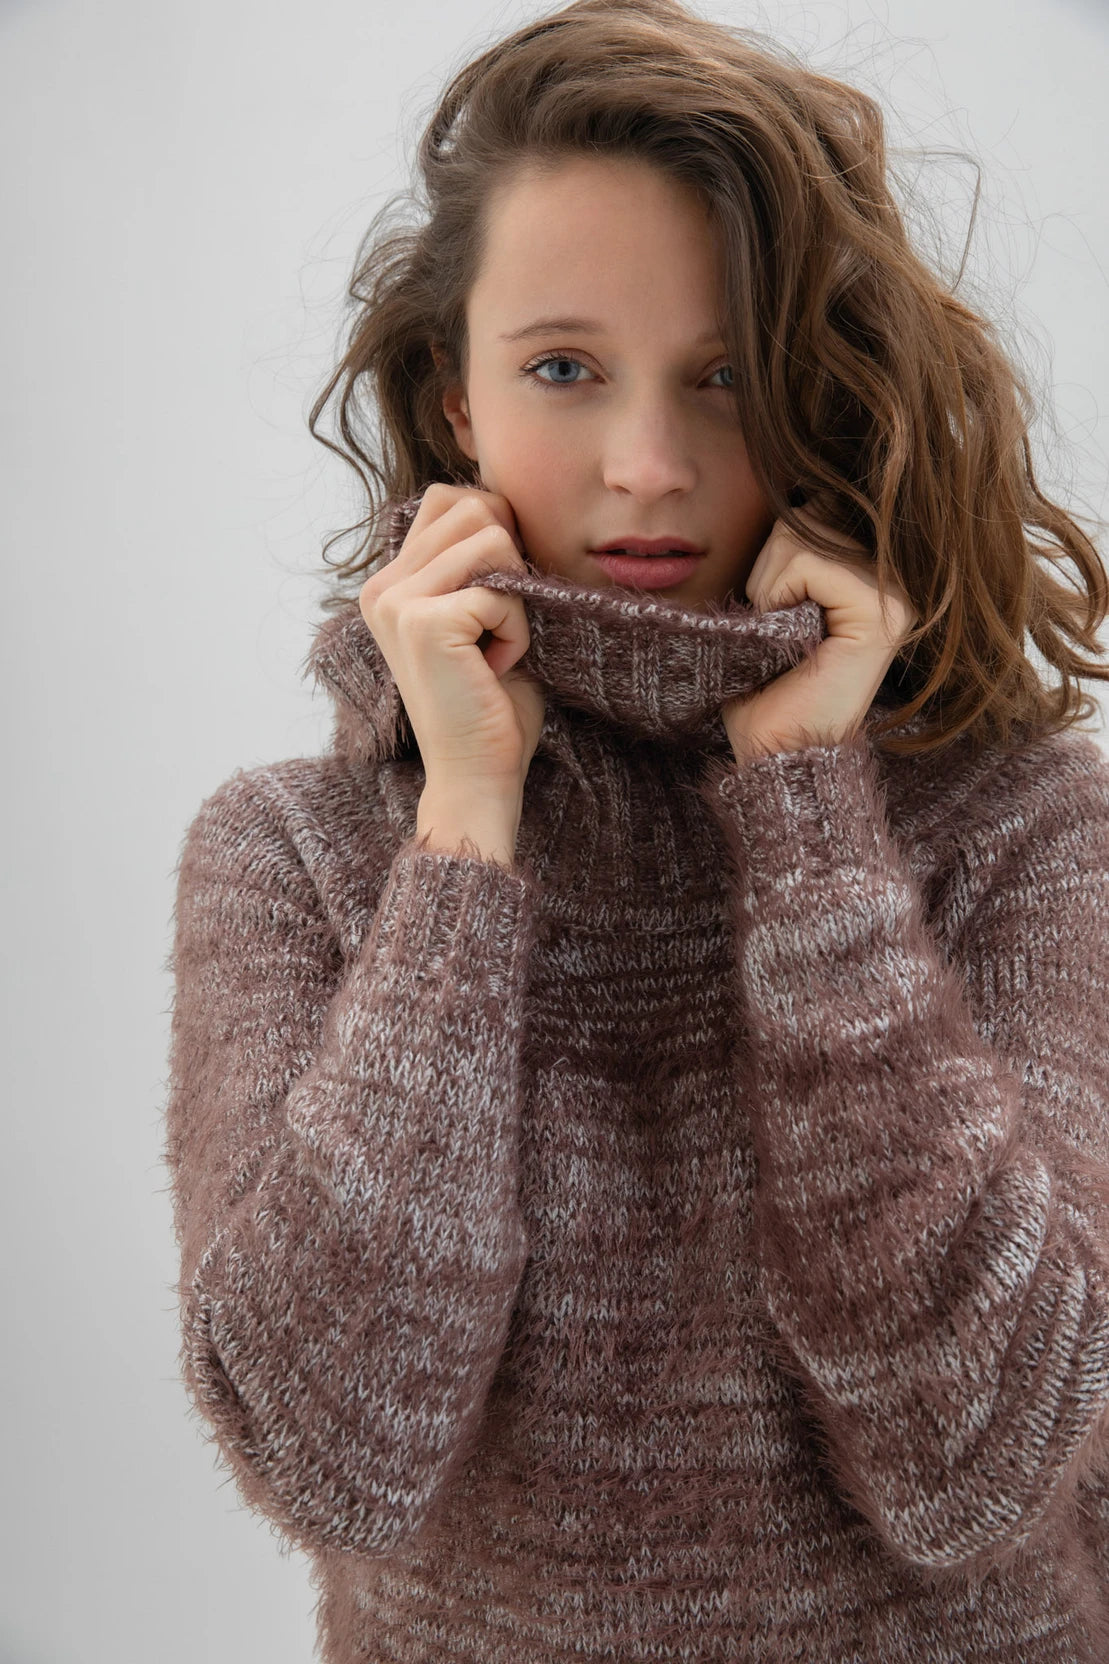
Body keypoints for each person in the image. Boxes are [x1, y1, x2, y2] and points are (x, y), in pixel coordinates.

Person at [162, 1, 1109, 1658]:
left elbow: (977, 1464)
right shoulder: (292, 855)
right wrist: (462, 832)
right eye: (562, 370)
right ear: (454, 399)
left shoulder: (1030, 833)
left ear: (818, 385)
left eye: (726, 374)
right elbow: (334, 1457)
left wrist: (809, 826)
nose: (650, 465)